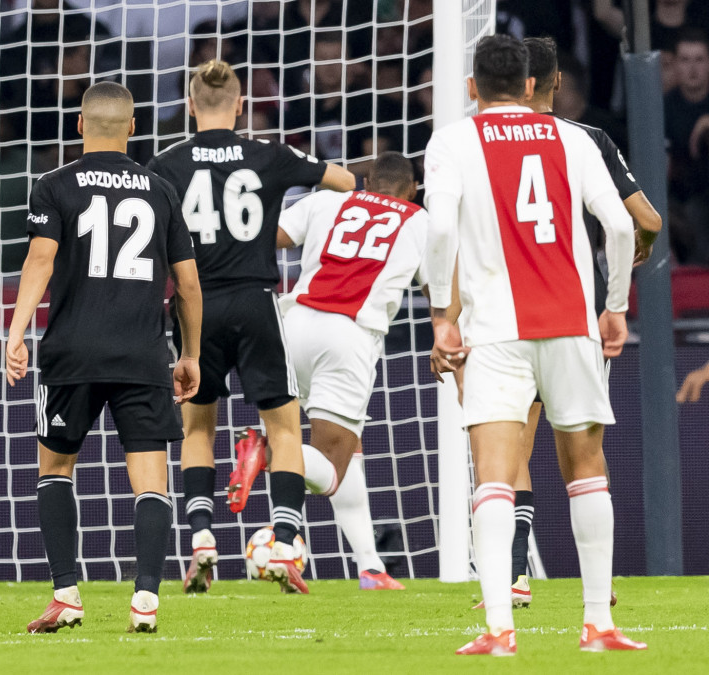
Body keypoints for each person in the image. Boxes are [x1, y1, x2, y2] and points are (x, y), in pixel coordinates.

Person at [425, 34, 645, 655]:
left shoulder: (454, 141)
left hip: (495, 330)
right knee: (586, 473)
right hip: (571, 324)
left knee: (494, 476)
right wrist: (615, 308)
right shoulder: (574, 139)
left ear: (472, 88)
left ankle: (499, 629)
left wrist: (444, 313)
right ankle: (599, 624)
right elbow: (623, 225)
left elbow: (440, 227)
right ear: (529, 86)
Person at [146, 60, 354, 595]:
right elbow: (344, 181)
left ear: (190, 106)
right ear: (240, 106)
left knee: (198, 429)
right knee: (284, 428)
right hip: (257, 301)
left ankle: (201, 540)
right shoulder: (269, 154)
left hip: (195, 305)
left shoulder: (165, 164)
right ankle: (284, 544)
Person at [5, 81, 202, 633]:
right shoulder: (161, 190)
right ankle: (145, 601)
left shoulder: (54, 185)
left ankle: (66, 594)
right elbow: (187, 285)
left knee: (56, 469)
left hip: (72, 353)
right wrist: (190, 354)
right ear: (133, 128)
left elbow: (39, 260)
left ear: (79, 125)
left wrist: (16, 332)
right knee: (150, 481)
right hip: (143, 353)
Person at [272, 151, 423, 592]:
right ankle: (265, 450)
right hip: (348, 336)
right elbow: (440, 291)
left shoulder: (327, 201)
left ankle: (369, 566)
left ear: (366, 180)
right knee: (329, 466)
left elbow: (271, 237)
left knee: (348, 449)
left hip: (291, 325)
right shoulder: (418, 220)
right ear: (413, 190)